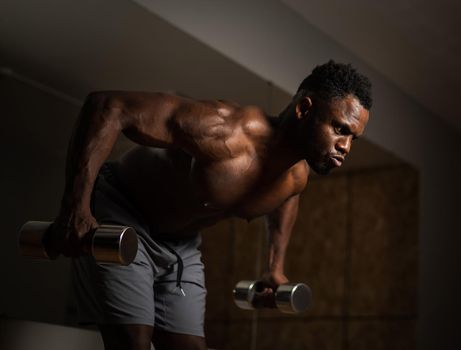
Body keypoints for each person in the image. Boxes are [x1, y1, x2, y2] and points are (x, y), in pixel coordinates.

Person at [50, 60, 372, 350]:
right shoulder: (224, 130)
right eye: (340, 129)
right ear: (304, 109)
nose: (345, 146)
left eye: (353, 138)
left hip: (182, 247)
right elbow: (108, 106)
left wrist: (275, 267)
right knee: (135, 342)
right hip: (124, 214)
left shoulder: (295, 177)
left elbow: (287, 200)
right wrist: (76, 209)